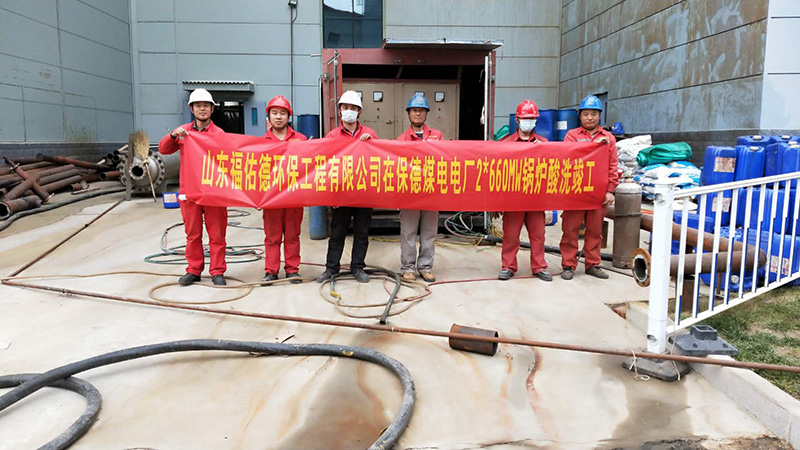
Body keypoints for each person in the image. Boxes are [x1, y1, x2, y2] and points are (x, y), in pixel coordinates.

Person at [158, 88, 228, 286]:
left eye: (206, 105)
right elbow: (164, 149)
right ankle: (194, 270)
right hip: (189, 192)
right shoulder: (183, 133)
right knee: (193, 234)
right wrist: (172, 135)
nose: (202, 109)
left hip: (214, 192)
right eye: (198, 106)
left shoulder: (219, 134)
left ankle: (217, 271)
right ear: (192, 108)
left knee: (217, 235)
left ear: (212, 109)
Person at [316, 90, 378, 284]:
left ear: (359, 112)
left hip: (364, 194)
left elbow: (380, 160)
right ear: (340, 110)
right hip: (340, 195)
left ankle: (358, 267)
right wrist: (331, 197)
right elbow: (325, 167)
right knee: (337, 233)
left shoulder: (370, 134)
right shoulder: (332, 136)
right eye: (346, 107)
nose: (349, 111)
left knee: (362, 233)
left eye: (353, 108)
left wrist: (371, 145)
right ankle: (331, 268)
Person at [560, 95, 619, 280]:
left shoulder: (608, 138)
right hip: (576, 190)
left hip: (598, 193)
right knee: (570, 229)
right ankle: (568, 265)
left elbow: (613, 165)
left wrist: (610, 190)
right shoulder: (571, 136)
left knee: (595, 230)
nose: (590, 118)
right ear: (580, 116)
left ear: (600, 116)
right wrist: (594, 146)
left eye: (594, 114)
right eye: (586, 114)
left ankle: (592, 264)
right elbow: (567, 158)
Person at [497, 100, 552, 282]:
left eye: (531, 118)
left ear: (536, 120)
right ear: (518, 120)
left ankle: (539, 266)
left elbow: (551, 172)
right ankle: (508, 266)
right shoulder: (505, 144)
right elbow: (498, 173)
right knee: (511, 235)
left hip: (536, 199)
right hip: (513, 199)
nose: (528, 122)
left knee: (538, 235)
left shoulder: (543, 144)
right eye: (525, 118)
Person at [396, 94, 443, 283]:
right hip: (410, 194)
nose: (417, 114)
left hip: (431, 192)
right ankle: (407, 268)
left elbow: (445, 159)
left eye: (421, 110)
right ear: (409, 114)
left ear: (426, 114)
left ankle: (425, 267)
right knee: (408, 232)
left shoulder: (437, 136)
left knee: (429, 232)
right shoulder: (402, 139)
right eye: (414, 110)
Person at [261, 95, 307, 285]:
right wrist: (257, 197)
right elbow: (256, 172)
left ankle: (292, 270)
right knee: (272, 236)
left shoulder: (302, 140)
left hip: (294, 196)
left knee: (292, 235)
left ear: (289, 116)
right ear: (269, 117)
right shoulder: (261, 142)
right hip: (271, 198)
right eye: (274, 113)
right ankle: (271, 271)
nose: (278, 117)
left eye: (282, 113)